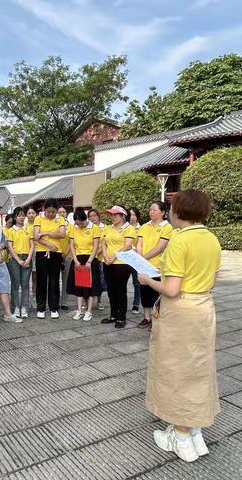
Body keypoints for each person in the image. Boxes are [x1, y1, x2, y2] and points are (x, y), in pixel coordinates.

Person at [138, 189, 221, 463]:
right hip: (203, 306)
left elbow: (172, 289)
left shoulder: (178, 242)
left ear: (176, 212)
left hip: (181, 312)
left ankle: (181, 435)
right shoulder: (211, 239)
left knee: (176, 370)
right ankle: (193, 428)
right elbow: (213, 280)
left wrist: (148, 280)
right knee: (198, 368)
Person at [136, 201, 173, 329]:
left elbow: (160, 247)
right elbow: (139, 243)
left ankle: (156, 319)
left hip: (157, 266)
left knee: (156, 293)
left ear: (163, 212)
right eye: (150, 209)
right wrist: (140, 259)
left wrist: (142, 258)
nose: (151, 212)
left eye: (154, 210)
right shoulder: (144, 226)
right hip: (143, 265)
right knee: (144, 291)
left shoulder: (167, 227)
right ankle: (146, 317)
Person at [101, 205, 136, 328]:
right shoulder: (108, 228)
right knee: (111, 290)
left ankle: (121, 317)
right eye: (111, 215)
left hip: (122, 263)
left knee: (120, 290)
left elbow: (127, 245)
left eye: (115, 215)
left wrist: (114, 256)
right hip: (108, 262)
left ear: (123, 216)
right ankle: (113, 314)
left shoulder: (129, 228)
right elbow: (104, 244)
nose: (112, 217)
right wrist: (105, 256)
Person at [33, 198, 66, 319]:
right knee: (41, 280)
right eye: (48, 211)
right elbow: (36, 236)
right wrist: (48, 244)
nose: (51, 214)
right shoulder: (38, 218)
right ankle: (41, 308)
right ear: (44, 209)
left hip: (56, 253)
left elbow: (62, 234)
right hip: (42, 252)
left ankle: (54, 307)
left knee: (54, 280)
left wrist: (46, 233)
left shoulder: (60, 219)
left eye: (53, 212)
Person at [67, 211, 102, 321]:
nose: (79, 226)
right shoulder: (74, 228)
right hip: (78, 259)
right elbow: (72, 246)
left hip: (90, 259)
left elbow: (96, 246)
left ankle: (89, 311)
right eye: (77, 223)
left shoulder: (94, 228)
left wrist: (89, 261)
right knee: (79, 285)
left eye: (81, 223)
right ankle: (79, 310)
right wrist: (75, 260)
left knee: (90, 286)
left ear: (85, 219)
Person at [6, 207, 34, 318]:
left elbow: (32, 245)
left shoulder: (29, 229)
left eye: (23, 215)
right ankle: (16, 308)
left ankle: (24, 307)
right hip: (14, 260)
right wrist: (19, 260)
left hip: (27, 258)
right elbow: (10, 247)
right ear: (15, 217)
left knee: (25, 285)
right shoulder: (10, 230)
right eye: (19, 215)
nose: (21, 217)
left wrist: (27, 260)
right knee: (15, 284)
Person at [87, 208, 105, 311]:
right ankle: (86, 300)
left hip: (100, 258)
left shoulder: (104, 228)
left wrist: (96, 253)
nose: (92, 218)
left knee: (100, 280)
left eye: (94, 215)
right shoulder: (87, 228)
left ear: (98, 216)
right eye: (90, 216)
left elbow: (104, 244)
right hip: (89, 257)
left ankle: (99, 300)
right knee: (88, 280)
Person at [128, 207, 142, 314]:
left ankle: (136, 304)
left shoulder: (141, 229)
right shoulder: (125, 228)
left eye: (134, 215)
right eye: (130, 215)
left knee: (136, 282)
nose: (132, 217)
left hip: (136, 258)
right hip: (124, 258)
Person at [58, 206, 71, 310]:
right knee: (54, 280)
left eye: (63, 212)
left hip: (68, 256)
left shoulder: (71, 226)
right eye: (59, 212)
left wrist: (65, 254)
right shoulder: (54, 226)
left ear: (66, 214)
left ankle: (64, 302)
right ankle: (55, 300)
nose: (61, 214)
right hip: (56, 255)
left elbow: (72, 242)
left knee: (66, 280)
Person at [25, 206, 37, 309]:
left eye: (33, 213)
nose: (31, 215)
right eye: (29, 213)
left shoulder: (39, 225)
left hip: (37, 253)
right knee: (25, 278)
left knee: (35, 278)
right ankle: (26, 298)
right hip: (27, 253)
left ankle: (34, 297)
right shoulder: (24, 226)